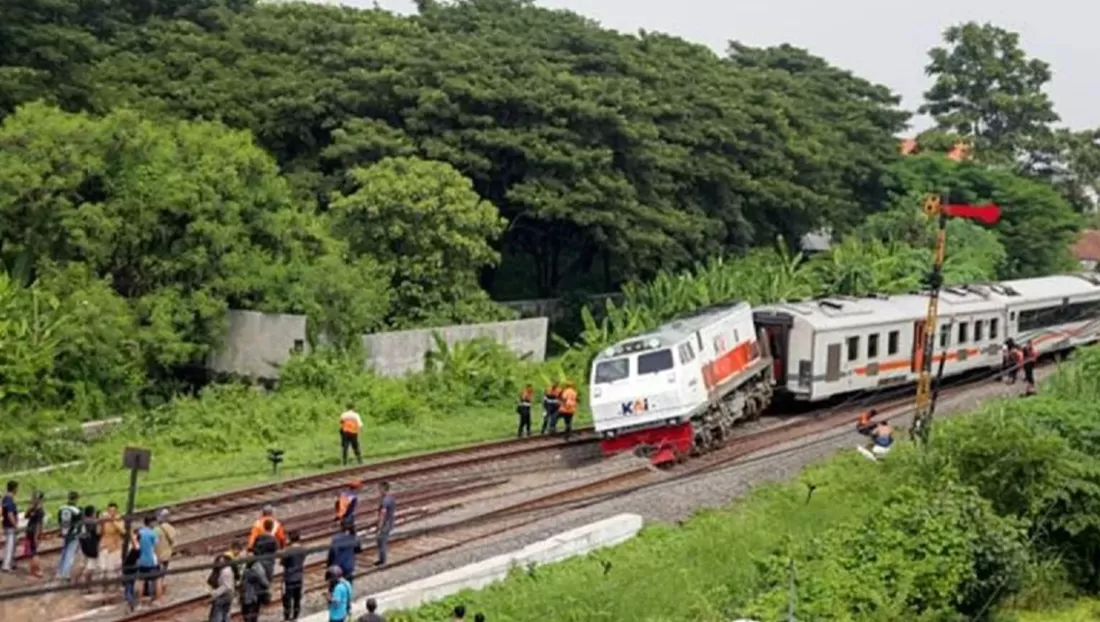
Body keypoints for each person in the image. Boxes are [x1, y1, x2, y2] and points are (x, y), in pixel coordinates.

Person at [98, 502, 125, 591]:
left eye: (113, 511)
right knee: (103, 569)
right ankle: (104, 588)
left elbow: (123, 531)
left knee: (116, 569)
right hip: (104, 545)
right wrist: (101, 523)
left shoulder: (119, 519)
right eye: (109, 511)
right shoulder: (104, 519)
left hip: (115, 547)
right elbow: (99, 533)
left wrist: (113, 521)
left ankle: (116, 587)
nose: (111, 513)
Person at [57, 491, 83, 582]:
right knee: (70, 554)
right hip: (73, 534)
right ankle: (66, 574)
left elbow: (59, 521)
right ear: (76, 499)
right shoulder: (77, 511)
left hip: (64, 532)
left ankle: (59, 572)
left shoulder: (62, 508)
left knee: (64, 551)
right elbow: (79, 524)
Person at [281, 530, 307, 621]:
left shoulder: (288, 551)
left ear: (290, 539)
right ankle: (295, 617)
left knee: (287, 600)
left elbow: (282, 562)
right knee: (297, 599)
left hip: (289, 578)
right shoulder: (303, 549)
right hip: (299, 577)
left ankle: (287, 617)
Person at [137, 514, 160, 604]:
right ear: (151, 523)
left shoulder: (139, 532)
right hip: (151, 560)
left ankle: (140, 599)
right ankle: (158, 600)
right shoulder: (153, 533)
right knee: (157, 580)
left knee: (141, 581)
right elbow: (156, 547)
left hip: (141, 560)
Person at [77, 505, 101, 591]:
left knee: (81, 565)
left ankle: (75, 581)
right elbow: (98, 533)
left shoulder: (81, 522)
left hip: (83, 545)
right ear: (92, 513)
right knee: (90, 567)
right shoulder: (93, 523)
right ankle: (88, 586)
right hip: (91, 547)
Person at [154, 508, 176, 598]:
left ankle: (156, 592)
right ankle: (160, 587)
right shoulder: (171, 528)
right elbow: (173, 541)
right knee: (163, 573)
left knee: (157, 575)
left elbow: (154, 542)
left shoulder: (156, 529)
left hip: (158, 554)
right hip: (167, 554)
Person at [22, 491, 44, 578]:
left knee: (33, 551)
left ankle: (35, 569)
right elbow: (26, 516)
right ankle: (36, 569)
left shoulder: (37, 510)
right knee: (34, 552)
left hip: (31, 531)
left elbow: (38, 523)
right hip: (32, 531)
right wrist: (37, 536)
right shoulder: (38, 510)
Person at [240, 557, 270, 622]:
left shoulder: (246, 571)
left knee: (248, 614)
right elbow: (264, 582)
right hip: (254, 596)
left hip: (248, 596)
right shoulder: (256, 570)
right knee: (253, 615)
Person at [251, 518, 280, 587]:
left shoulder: (258, 537)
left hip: (259, 562)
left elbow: (254, 549)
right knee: (267, 583)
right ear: (272, 527)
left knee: (259, 582)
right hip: (269, 563)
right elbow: (277, 549)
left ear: (264, 526)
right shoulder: (273, 539)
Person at [208, 553, 235, 622]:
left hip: (222, 597)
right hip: (228, 596)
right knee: (225, 615)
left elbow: (226, 587)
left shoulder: (225, 572)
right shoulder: (227, 570)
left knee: (218, 616)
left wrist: (214, 594)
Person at [375, 481, 396, 567]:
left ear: (384, 489)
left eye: (380, 489)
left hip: (385, 524)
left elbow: (382, 514)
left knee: (381, 541)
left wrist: (379, 526)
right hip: (390, 522)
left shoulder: (385, 501)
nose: (378, 491)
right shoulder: (391, 498)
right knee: (382, 541)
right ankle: (381, 560)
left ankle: (382, 561)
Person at [121, 532, 141, 612]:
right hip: (133, 568)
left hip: (129, 569)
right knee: (130, 586)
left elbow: (133, 541)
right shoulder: (137, 547)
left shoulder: (135, 547)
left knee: (128, 587)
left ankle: (130, 602)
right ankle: (130, 602)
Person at [1, 480, 17, 572]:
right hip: (10, 525)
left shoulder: (4, 498)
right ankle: (6, 565)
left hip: (6, 524)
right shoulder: (10, 499)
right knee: (10, 545)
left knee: (10, 544)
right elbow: (10, 513)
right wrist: (15, 525)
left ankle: (9, 563)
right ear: (14, 488)